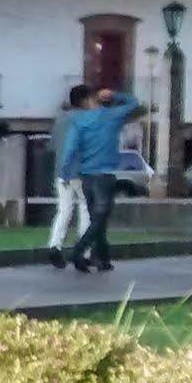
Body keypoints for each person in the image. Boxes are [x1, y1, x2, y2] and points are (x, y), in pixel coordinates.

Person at [58, 86, 142, 273]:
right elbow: (134, 103)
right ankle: (78, 251)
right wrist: (115, 94)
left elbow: (70, 150)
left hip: (86, 176)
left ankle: (102, 259)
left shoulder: (78, 121)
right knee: (100, 218)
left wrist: (65, 173)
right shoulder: (111, 116)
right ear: (90, 97)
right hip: (104, 176)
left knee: (98, 219)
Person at [45, 85, 92, 269]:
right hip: (81, 171)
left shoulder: (60, 120)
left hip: (61, 173)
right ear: (84, 100)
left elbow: (52, 146)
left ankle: (54, 245)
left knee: (64, 210)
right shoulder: (87, 120)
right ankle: (83, 250)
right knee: (85, 208)